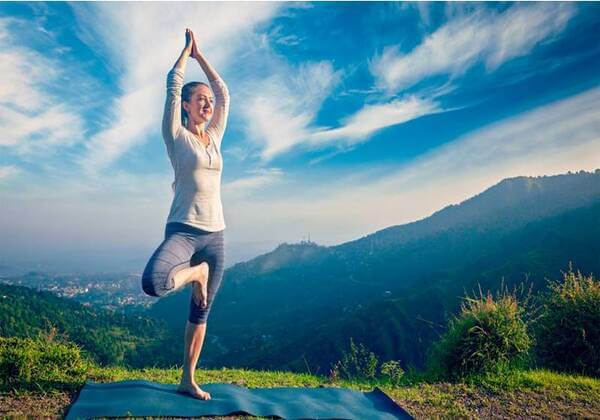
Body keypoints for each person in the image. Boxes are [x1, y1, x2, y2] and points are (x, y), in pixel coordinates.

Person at [141, 28, 230, 401]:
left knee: (201, 312)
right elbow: (172, 85)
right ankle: (196, 273)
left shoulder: (214, 137)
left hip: (216, 234)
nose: (208, 104)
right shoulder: (177, 136)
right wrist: (185, 55)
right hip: (183, 231)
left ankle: (187, 379)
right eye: (201, 100)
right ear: (186, 106)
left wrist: (203, 57)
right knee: (155, 282)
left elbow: (225, 93)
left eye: (208, 101)